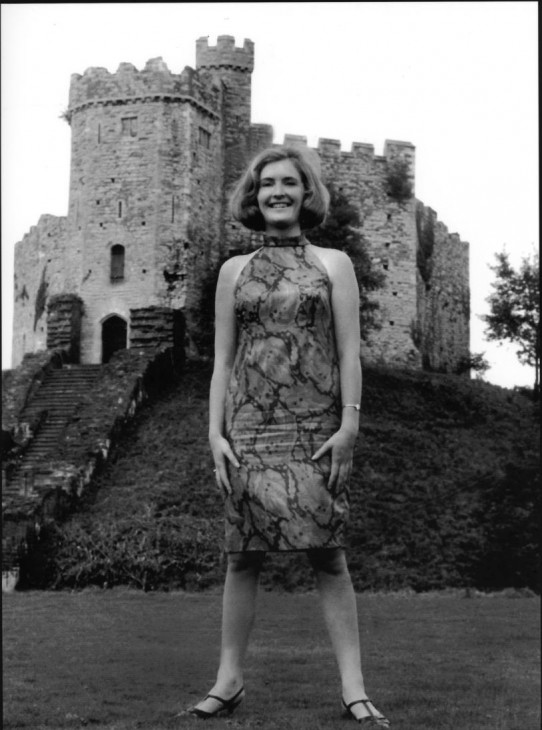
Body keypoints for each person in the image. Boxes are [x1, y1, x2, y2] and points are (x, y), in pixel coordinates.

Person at [187, 146, 390, 726]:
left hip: (316, 426)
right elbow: (222, 363)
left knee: (329, 556)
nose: (277, 191)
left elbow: (351, 351)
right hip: (248, 427)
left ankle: (354, 687)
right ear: (254, 196)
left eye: (289, 183)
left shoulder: (334, 264)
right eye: (267, 183)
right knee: (241, 557)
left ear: (306, 194)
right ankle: (228, 682)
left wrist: (349, 423)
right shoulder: (233, 271)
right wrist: (214, 434)